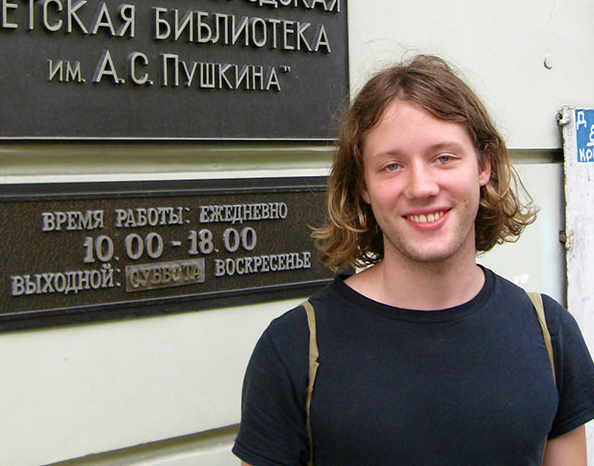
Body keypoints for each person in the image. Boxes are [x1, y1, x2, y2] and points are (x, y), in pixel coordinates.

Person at [232, 55, 594, 465]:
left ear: (484, 166)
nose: (421, 187)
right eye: (392, 166)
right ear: (364, 187)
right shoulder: (295, 347)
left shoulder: (549, 335)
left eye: (443, 157)